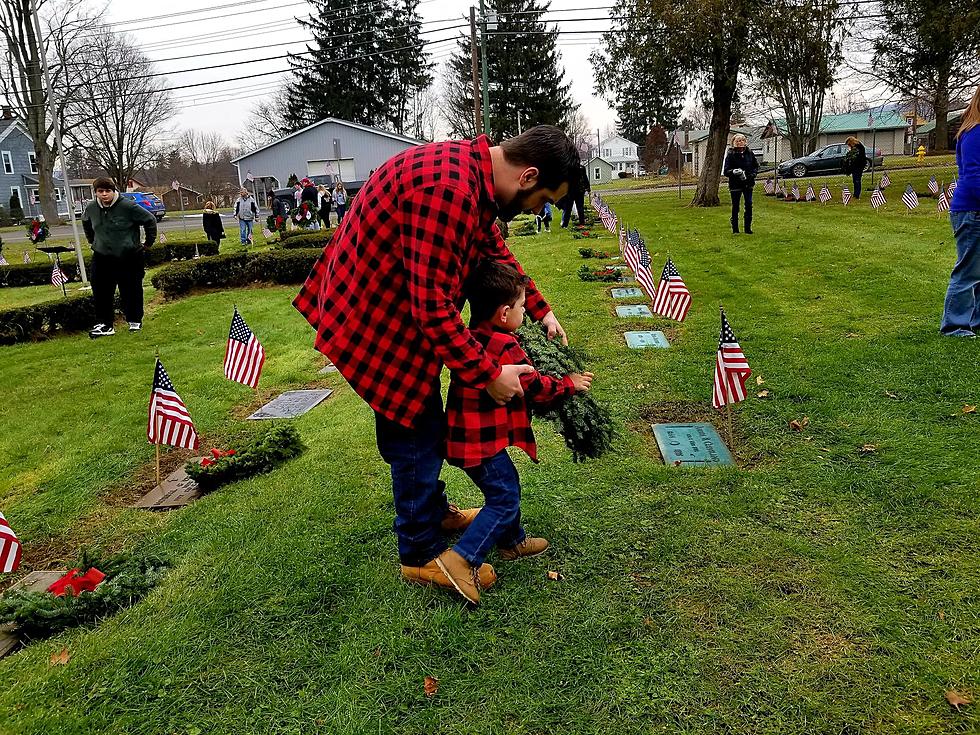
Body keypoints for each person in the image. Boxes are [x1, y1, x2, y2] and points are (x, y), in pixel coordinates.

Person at [293, 125, 579, 600]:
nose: (539, 210)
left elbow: (493, 251)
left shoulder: (471, 176)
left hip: (398, 314)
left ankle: (434, 511)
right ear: (528, 177)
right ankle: (420, 553)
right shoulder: (448, 191)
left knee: (422, 424)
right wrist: (488, 376)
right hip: (376, 322)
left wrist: (542, 311)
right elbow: (432, 307)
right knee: (413, 431)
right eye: (544, 199)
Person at [441, 260, 592, 603]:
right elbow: (535, 387)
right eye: (523, 307)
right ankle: (461, 559)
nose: (526, 313)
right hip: (480, 444)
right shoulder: (505, 346)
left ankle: (512, 543)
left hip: (468, 438)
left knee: (506, 487)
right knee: (505, 498)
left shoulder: (473, 338)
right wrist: (568, 384)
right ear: (505, 313)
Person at [82, 176, 157, 337]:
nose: (104, 194)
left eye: (107, 191)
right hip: (102, 255)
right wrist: (92, 241)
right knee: (101, 290)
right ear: (95, 193)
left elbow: (150, 220)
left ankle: (134, 321)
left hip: (128, 255)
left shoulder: (128, 206)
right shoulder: (91, 208)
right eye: (100, 191)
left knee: (130, 289)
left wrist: (148, 243)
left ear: (113, 191)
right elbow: (86, 223)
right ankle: (105, 324)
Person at [941, 85, 980, 338]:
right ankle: (954, 325)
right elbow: (976, 176)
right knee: (968, 270)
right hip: (972, 209)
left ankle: (975, 321)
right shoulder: (975, 132)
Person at [722, 133, 759, 234]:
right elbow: (726, 171)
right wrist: (733, 172)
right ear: (733, 143)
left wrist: (753, 174)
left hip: (748, 183)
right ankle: (735, 229)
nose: (740, 142)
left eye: (742, 140)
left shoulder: (750, 153)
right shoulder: (730, 155)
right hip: (735, 185)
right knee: (736, 206)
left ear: (745, 142)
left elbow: (755, 166)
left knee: (749, 205)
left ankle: (747, 228)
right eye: (738, 141)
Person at [560, 163, 590, 228]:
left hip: (571, 191)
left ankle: (565, 224)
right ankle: (582, 223)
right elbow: (585, 178)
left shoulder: (568, 168)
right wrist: (587, 188)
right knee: (580, 207)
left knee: (568, 208)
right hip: (579, 190)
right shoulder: (581, 167)